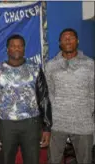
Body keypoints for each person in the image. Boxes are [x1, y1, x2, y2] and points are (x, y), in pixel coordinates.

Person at [0, 34, 52, 164]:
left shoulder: (35, 69)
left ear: (24, 48)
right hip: (5, 124)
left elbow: (44, 98)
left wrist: (46, 127)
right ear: (7, 49)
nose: (16, 48)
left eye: (19, 46)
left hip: (31, 123)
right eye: (13, 46)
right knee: (6, 160)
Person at [45, 28, 94, 164]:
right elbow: (49, 92)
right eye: (64, 38)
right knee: (53, 160)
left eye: (71, 37)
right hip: (57, 123)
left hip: (83, 123)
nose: (68, 40)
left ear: (77, 41)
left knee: (85, 160)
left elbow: (93, 92)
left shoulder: (90, 64)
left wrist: (88, 112)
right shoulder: (50, 66)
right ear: (59, 43)